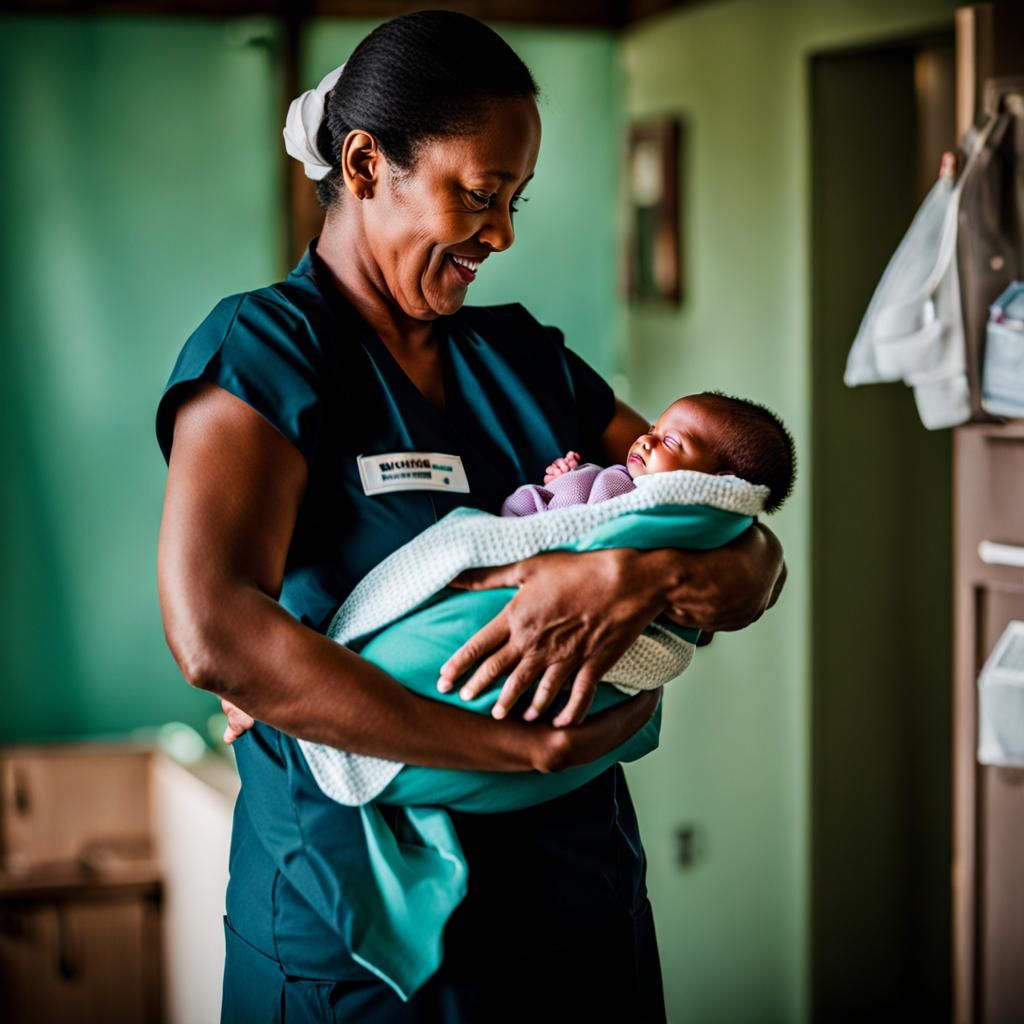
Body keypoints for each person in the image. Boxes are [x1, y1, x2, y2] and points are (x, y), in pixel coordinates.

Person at [155, 11, 786, 1022]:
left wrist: (632, 577)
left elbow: (745, 539)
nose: (502, 233)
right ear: (366, 165)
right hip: (357, 943)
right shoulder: (268, 352)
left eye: (513, 200)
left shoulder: (525, 360)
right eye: (480, 196)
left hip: (578, 915)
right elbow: (213, 631)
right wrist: (511, 749)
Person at [499, 391, 796, 517]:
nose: (644, 440)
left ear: (718, 483)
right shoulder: (631, 485)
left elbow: (578, 526)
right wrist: (569, 478)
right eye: (653, 428)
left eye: (669, 442)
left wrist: (567, 485)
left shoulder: (657, 509)